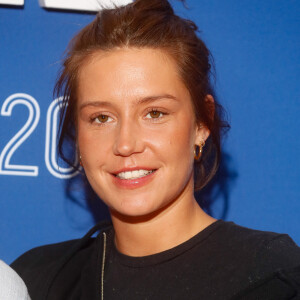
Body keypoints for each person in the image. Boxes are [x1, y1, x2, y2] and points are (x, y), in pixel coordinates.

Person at [11, 0, 300, 299]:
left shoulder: (272, 277)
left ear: (202, 123)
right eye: (101, 117)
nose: (125, 144)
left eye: (155, 113)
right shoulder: (37, 281)